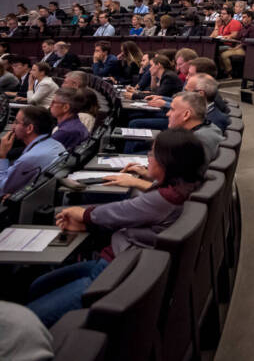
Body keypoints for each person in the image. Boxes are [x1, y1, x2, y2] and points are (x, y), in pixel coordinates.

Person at [26, 129, 208, 327]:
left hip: (114, 273)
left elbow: (119, 211)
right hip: (116, 261)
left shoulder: (165, 199)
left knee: (32, 317)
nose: (149, 159)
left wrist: (82, 214)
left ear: (168, 163)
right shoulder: (183, 188)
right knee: (39, 286)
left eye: (152, 154)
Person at [0, 105, 65, 195]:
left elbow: (3, 188)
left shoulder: (29, 158)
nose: (12, 126)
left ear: (29, 128)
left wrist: (2, 155)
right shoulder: (56, 144)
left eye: (16, 122)